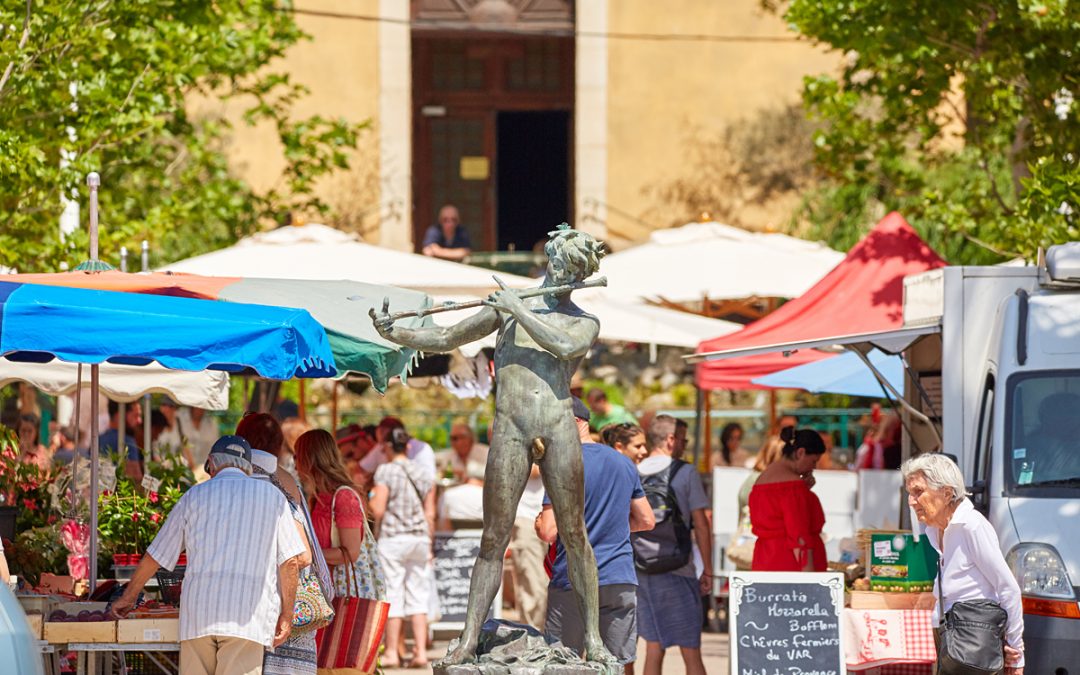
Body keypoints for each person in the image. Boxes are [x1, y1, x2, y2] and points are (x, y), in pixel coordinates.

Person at [371, 223, 616, 665]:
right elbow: (447, 338)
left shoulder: (582, 320)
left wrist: (516, 310)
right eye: (563, 263)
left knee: (575, 534)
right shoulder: (510, 306)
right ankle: (467, 639)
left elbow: (561, 346)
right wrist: (397, 334)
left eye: (576, 269)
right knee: (493, 537)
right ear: (551, 261)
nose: (567, 273)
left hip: (558, 425)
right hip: (511, 427)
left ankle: (594, 639)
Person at [111, 435, 306, 675]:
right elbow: (290, 562)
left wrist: (129, 596)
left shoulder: (195, 495)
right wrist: (287, 615)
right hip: (247, 619)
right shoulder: (273, 497)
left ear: (211, 464)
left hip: (199, 617)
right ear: (247, 466)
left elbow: (156, 555)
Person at [537, 401, 654, 673]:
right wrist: (612, 523)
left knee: (562, 664)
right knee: (616, 665)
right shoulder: (623, 463)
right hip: (619, 577)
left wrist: (538, 523)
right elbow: (646, 520)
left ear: (575, 422)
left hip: (573, 579)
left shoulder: (562, 464)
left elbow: (548, 531)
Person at [903, 453, 1025, 674]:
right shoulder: (933, 530)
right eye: (910, 494)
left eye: (918, 492)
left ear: (947, 492)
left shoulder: (971, 526)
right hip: (951, 642)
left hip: (975, 645)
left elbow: (1008, 588)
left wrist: (1015, 651)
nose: (911, 501)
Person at [633, 414, 712, 675]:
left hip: (642, 569)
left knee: (653, 649)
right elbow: (701, 524)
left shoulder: (634, 470)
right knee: (691, 650)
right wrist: (708, 570)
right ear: (670, 439)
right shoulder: (685, 472)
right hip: (679, 569)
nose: (684, 445)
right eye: (683, 440)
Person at [249, 446, 332, 675]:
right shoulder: (280, 494)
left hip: (285, 613)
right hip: (282, 617)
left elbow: (303, 556)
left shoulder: (278, 499)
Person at [293, 430, 386, 617]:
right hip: (323, 593)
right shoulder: (316, 498)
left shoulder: (343, 497)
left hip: (343, 595)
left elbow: (350, 553)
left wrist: (307, 556)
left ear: (310, 458)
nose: (295, 464)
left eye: (297, 456)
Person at [369, 427, 436, 668]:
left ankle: (392, 654)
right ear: (407, 446)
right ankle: (420, 652)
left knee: (394, 594)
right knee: (418, 595)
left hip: (393, 539)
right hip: (419, 538)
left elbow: (378, 508)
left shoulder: (385, 471)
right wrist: (430, 542)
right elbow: (430, 512)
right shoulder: (423, 473)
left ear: (387, 446)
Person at [749, 427, 827, 572]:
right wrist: (810, 579)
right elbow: (799, 537)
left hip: (765, 561)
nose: (813, 467)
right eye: (813, 461)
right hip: (790, 566)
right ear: (801, 453)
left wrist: (804, 491)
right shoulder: (793, 488)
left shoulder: (762, 480)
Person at [358, 417, 436, 486]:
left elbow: (430, 482)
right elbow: (361, 469)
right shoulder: (380, 448)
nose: (383, 449)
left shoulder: (385, 471)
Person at [99, 400, 143, 481]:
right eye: (135, 416)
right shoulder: (128, 442)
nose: (139, 421)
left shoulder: (98, 439)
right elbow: (135, 480)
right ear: (120, 416)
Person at [438, 460, 485, 529]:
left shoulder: (447, 495)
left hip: (453, 538)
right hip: (481, 537)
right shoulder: (488, 497)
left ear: (465, 477)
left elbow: (442, 523)